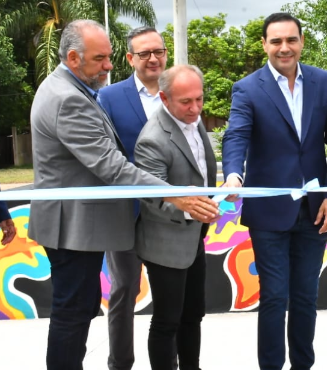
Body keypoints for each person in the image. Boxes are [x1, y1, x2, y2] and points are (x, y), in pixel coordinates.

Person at [28, 19, 209, 370]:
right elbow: (112, 166)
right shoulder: (68, 99)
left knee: (78, 308)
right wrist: (174, 195)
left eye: (109, 57)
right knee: (73, 313)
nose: (109, 66)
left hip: (79, 226)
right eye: (101, 59)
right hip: (74, 228)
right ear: (73, 57)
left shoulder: (71, 88)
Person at [222, 12, 327, 370]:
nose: (284, 47)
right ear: (264, 45)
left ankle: (303, 365)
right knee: (275, 297)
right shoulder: (248, 88)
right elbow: (236, 136)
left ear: (302, 42)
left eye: (291, 40)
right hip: (269, 214)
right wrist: (233, 175)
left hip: (315, 212)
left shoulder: (323, 83)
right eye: (276, 41)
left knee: (306, 297)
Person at [134, 65, 219, 370]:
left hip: (194, 237)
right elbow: (152, 195)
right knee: (167, 321)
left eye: (199, 99)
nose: (195, 108)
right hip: (165, 244)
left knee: (193, 314)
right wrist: (191, 207)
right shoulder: (152, 139)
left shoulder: (192, 123)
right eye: (186, 102)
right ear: (164, 99)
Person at [98, 26, 169, 370]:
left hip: (172, 215)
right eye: (144, 53)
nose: (153, 58)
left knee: (171, 298)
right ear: (130, 59)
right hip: (125, 213)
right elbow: (106, 155)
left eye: (159, 51)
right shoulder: (109, 98)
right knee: (124, 292)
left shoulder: (178, 92)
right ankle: (120, 364)